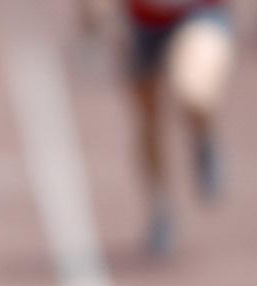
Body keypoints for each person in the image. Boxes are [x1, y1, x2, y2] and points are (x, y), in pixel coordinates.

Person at [85, 0, 234, 257]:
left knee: (194, 92)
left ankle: (204, 138)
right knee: (148, 120)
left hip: (201, 12)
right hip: (143, 23)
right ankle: (160, 207)